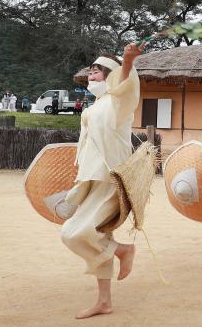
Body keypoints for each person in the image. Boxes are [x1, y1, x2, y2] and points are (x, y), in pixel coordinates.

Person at [60, 41, 146, 319]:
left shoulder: (118, 103)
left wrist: (128, 62)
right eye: (90, 72)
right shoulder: (94, 107)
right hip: (91, 179)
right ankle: (104, 301)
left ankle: (122, 250)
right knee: (96, 235)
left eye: (98, 72)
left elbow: (128, 86)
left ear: (111, 75)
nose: (91, 75)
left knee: (74, 233)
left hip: (110, 180)